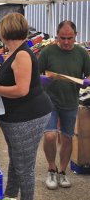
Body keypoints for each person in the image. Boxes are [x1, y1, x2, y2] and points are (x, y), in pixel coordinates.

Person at [0, 12, 52, 200]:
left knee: (24, 164)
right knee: (17, 159)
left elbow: (21, 89)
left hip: (27, 117)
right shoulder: (15, 52)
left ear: (5, 31)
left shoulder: (21, 54)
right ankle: (9, 198)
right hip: (17, 116)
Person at [38, 20, 90, 189]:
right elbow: (35, 75)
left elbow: (89, 75)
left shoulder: (82, 54)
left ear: (76, 36)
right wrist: (41, 80)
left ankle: (62, 172)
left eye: (70, 38)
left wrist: (86, 81)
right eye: (62, 38)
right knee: (50, 135)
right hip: (49, 102)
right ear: (57, 36)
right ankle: (51, 170)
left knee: (67, 138)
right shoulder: (47, 52)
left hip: (70, 102)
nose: (66, 42)